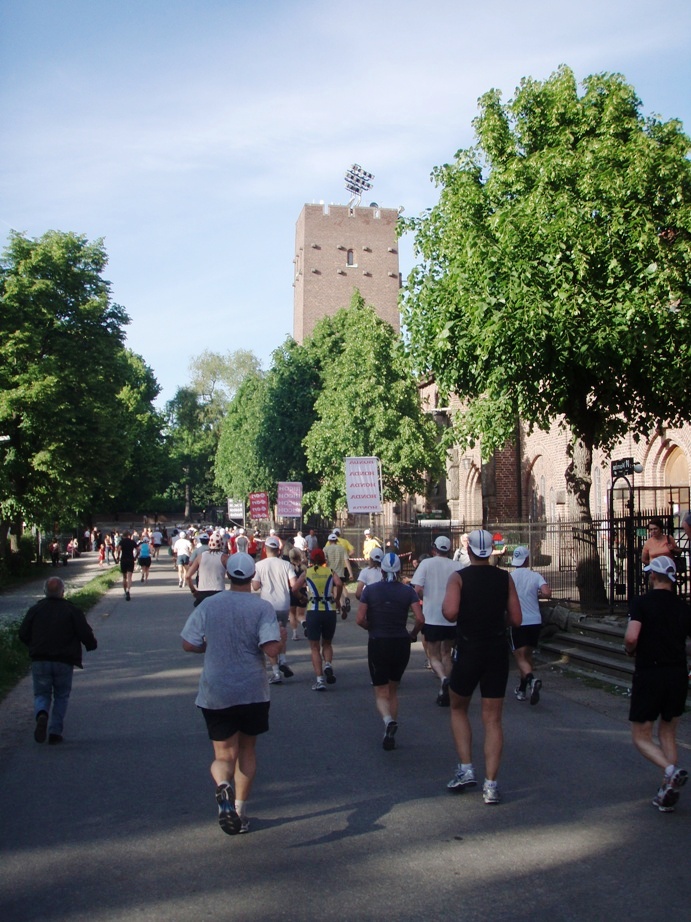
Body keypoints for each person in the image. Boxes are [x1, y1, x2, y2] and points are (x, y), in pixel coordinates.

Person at [181, 553, 281, 835]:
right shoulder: (262, 608)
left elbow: (188, 644)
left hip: (216, 689)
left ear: (228, 575)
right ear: (251, 578)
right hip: (252, 689)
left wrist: (208, 648)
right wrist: (281, 640)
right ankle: (240, 810)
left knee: (224, 754)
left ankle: (222, 786)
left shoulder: (209, 605)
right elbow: (271, 649)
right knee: (247, 749)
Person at [442, 529, 522, 804]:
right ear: (490, 551)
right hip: (496, 650)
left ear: (471, 550)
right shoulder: (504, 577)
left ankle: (466, 768)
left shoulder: (459, 578)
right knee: (493, 719)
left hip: (469, 647)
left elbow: (450, 613)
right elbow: (517, 618)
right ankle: (491, 784)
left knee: (458, 706)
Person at [624, 555, 690, 812]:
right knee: (668, 733)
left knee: (641, 735)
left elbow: (632, 637)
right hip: (677, 674)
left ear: (652, 576)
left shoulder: (641, 603)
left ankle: (670, 771)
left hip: (650, 672)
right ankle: (667, 789)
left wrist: (630, 650)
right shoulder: (684, 608)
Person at [19, 576, 98, 744]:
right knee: (61, 695)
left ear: (45, 592)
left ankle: (41, 713)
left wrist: (33, 646)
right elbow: (84, 632)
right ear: (62, 592)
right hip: (64, 660)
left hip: (40, 659)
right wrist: (91, 644)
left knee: (41, 693)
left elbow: (23, 633)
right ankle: (55, 732)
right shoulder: (71, 610)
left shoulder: (35, 610)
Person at [356, 553, 423, 750]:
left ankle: (387, 721)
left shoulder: (371, 590)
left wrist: (371, 627)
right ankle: (390, 726)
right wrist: (412, 634)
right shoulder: (407, 591)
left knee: (380, 689)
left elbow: (359, 619)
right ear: (400, 570)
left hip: (379, 642)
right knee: (393, 689)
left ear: (382, 571)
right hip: (401, 643)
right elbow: (420, 618)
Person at [410, 536, 461, 706]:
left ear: (434, 549)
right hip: (451, 616)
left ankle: (443, 678)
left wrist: (427, 596)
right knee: (447, 653)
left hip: (431, 616)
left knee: (433, 654)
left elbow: (416, 588)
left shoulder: (426, 564)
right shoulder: (457, 566)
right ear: (449, 549)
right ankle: (445, 687)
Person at [252, 536, 297, 684]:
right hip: (284, 604)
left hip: (267, 605)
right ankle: (283, 660)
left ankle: (276, 673)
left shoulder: (259, 565)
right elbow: (293, 584)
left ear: (265, 549)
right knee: (282, 632)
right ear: (278, 550)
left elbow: (256, 586)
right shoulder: (286, 564)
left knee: (269, 638)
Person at [509, 546, 551, 704]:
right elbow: (547, 593)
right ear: (527, 559)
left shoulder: (510, 577)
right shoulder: (535, 576)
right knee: (527, 656)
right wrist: (537, 593)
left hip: (518, 620)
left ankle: (532, 681)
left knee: (519, 657)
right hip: (535, 621)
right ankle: (521, 689)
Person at [302, 549, 343, 691]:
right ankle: (328, 664)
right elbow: (339, 584)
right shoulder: (330, 571)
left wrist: (303, 598)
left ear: (311, 560)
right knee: (327, 642)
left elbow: (294, 588)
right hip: (329, 610)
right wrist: (337, 600)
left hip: (313, 610)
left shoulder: (307, 572)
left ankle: (319, 680)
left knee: (314, 647)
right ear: (324, 559)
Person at [186, 532, 228, 606]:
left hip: (202, 592)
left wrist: (193, 590)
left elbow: (188, 576)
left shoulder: (200, 557)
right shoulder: (225, 558)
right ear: (222, 543)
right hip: (219, 591)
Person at [323, 532, 348, 615]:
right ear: (336, 540)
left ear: (329, 541)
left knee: (334, 591)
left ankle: (337, 608)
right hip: (341, 572)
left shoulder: (325, 549)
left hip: (331, 572)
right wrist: (350, 573)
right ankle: (343, 604)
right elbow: (346, 560)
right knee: (340, 590)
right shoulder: (342, 548)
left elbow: (325, 561)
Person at [119, 530, 138, 601]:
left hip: (123, 560)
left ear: (123, 536)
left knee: (124, 577)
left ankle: (124, 591)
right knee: (129, 577)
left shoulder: (122, 542)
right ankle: (128, 590)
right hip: (130, 560)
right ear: (129, 535)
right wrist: (135, 557)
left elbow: (118, 549)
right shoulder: (132, 542)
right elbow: (138, 549)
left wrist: (117, 557)